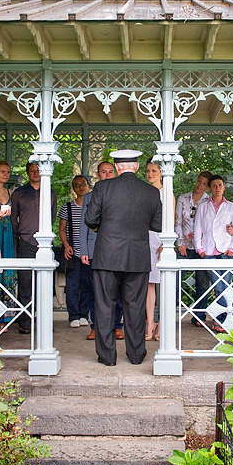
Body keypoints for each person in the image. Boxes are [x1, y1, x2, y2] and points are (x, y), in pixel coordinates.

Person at [85, 150, 161, 366]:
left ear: (117, 168)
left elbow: (90, 219)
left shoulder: (102, 187)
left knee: (104, 306)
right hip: (137, 256)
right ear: (136, 167)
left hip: (107, 255)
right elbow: (157, 225)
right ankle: (136, 355)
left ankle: (107, 357)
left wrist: (104, 227)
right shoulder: (151, 192)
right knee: (135, 307)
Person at [79, 161, 125, 341]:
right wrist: (83, 250)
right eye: (103, 172)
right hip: (94, 249)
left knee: (117, 289)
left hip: (117, 249)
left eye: (110, 172)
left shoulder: (122, 195)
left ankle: (116, 326)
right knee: (95, 290)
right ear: (98, 175)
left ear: (116, 173)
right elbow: (84, 226)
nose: (107, 175)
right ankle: (96, 326)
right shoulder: (89, 197)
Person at [11, 162, 58, 335]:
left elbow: (52, 216)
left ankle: (45, 321)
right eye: (32, 170)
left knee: (45, 283)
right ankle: (24, 322)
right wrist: (20, 235)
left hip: (44, 242)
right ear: (28, 172)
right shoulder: (19, 193)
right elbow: (13, 217)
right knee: (25, 283)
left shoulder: (50, 192)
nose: (36, 173)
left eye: (38, 170)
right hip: (24, 240)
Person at [194, 175, 233, 333]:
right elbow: (198, 228)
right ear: (210, 188)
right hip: (208, 252)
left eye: (220, 185)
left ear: (224, 187)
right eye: (214, 185)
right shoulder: (203, 206)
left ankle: (220, 318)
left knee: (225, 286)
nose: (217, 188)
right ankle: (222, 319)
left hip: (225, 251)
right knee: (217, 285)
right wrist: (200, 249)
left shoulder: (231, 207)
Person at [175, 171, 212, 325]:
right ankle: (169, 313)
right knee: (175, 279)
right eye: (199, 181)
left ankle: (199, 316)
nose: (200, 185)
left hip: (201, 247)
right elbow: (177, 221)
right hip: (184, 245)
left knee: (202, 282)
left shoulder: (209, 201)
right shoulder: (183, 198)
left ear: (208, 187)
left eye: (204, 183)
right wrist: (180, 243)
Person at [58, 175, 94, 328]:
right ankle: (73, 315)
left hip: (90, 252)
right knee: (72, 284)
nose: (81, 187)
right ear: (73, 188)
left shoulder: (93, 205)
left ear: (88, 185)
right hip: (74, 251)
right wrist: (66, 245)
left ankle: (84, 314)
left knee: (88, 284)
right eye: (77, 185)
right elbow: (61, 229)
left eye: (83, 184)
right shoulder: (68, 207)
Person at [144, 160, 170, 341]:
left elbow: (171, 221)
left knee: (164, 283)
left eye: (154, 170)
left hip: (162, 239)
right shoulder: (144, 193)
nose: (150, 174)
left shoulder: (167, 193)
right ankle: (150, 323)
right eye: (147, 171)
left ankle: (163, 323)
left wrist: (165, 243)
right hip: (145, 239)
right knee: (149, 284)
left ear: (161, 172)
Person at [0, 160, 17, 297]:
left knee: (8, 264)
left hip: (8, 232)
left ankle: (7, 308)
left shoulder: (10, 192)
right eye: (2, 171)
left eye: (8, 172)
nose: (6, 175)